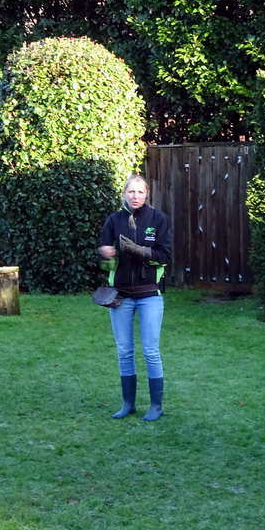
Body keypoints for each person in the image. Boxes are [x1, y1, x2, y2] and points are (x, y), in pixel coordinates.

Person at [97, 175, 173, 421]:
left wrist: (139, 251)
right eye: (131, 192)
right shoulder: (113, 221)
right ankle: (128, 404)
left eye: (140, 192)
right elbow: (105, 264)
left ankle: (156, 406)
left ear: (147, 194)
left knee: (151, 351)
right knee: (124, 351)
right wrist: (106, 255)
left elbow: (165, 255)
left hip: (150, 294)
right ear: (125, 194)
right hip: (120, 296)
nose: (135, 196)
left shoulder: (158, 219)